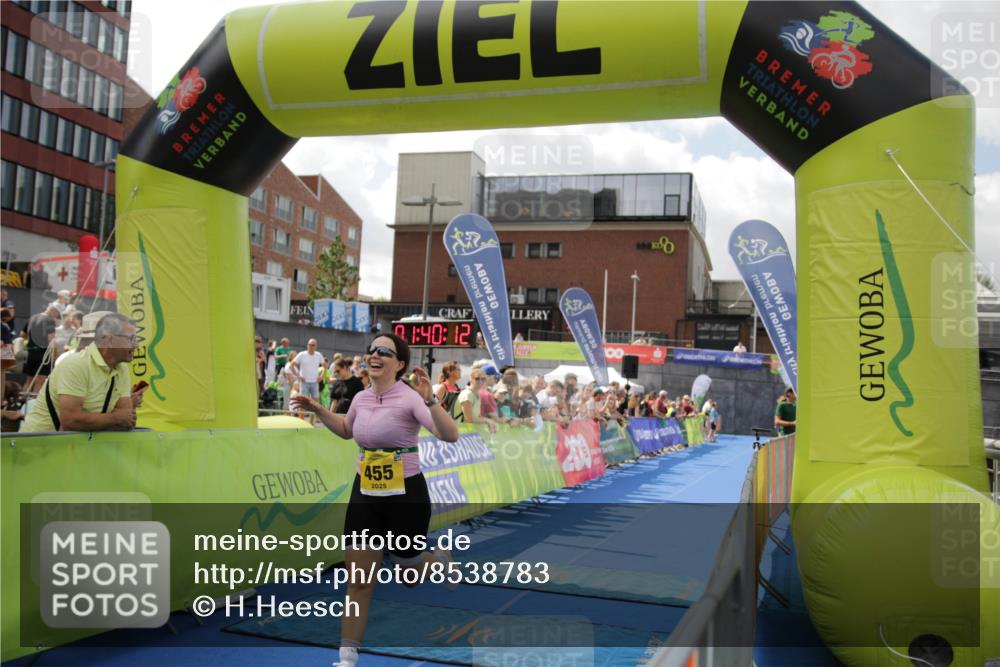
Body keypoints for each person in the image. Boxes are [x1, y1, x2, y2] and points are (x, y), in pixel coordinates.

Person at [290, 333, 459, 667]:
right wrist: (319, 410)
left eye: (385, 351)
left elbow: (450, 435)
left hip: (405, 495)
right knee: (359, 580)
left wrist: (430, 401)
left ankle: (438, 560)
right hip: (365, 494)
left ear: (399, 365)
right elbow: (346, 429)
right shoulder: (361, 398)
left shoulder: (410, 398)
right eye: (372, 350)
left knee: (409, 578)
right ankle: (347, 657)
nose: (375, 354)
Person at [21, 314, 147, 432]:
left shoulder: (121, 367)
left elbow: (126, 419)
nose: (136, 345)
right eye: (131, 338)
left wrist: (122, 415)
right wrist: (115, 418)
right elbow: (70, 421)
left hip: (72, 447)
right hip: (37, 448)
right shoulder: (76, 364)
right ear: (109, 339)